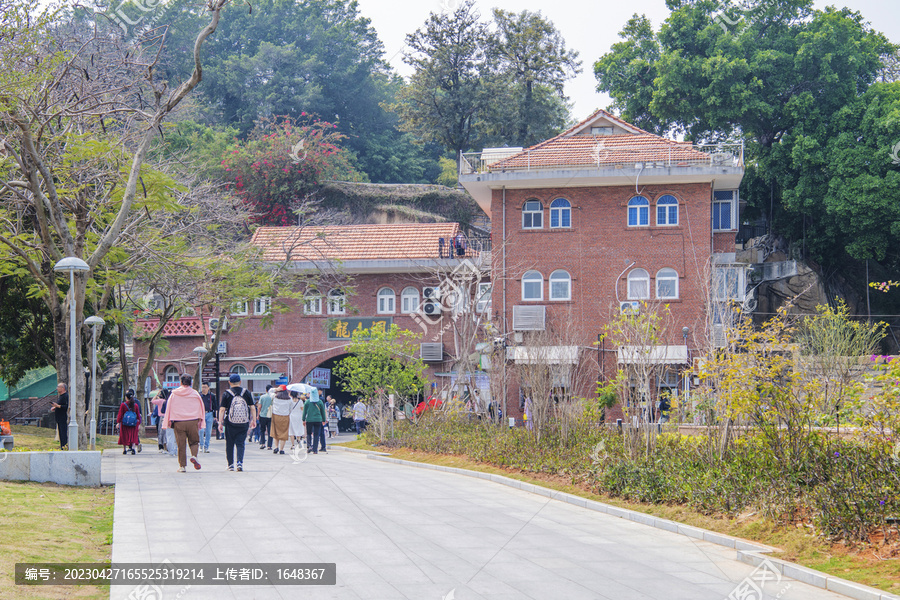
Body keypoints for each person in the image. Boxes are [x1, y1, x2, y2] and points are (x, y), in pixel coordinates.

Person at [162, 374, 205, 473]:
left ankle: (182, 466)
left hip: (178, 422)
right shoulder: (195, 394)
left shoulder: (174, 394)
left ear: (180, 382)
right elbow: (201, 407)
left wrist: (167, 422)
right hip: (193, 421)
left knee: (181, 444)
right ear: (191, 382)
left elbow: (168, 408)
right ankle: (194, 456)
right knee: (194, 441)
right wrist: (201, 420)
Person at [217, 373, 257, 471]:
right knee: (240, 443)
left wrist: (220, 422)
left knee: (229, 443)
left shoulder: (227, 393)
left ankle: (230, 465)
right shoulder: (246, 392)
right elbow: (252, 407)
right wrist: (254, 420)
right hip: (243, 423)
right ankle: (239, 463)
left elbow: (222, 409)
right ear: (240, 382)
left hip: (230, 423)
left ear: (229, 382)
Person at [116, 389, 142, 455]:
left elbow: (120, 414)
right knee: (133, 435)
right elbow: (138, 415)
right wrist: (139, 423)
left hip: (125, 423)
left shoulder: (123, 405)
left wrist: (118, 422)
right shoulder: (135, 405)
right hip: (133, 423)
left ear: (126, 397)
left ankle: (124, 449)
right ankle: (133, 448)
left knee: (124, 435)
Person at [270, 386, 292, 454]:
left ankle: (276, 447)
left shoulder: (274, 397)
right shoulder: (289, 399)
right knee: (284, 433)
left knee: (275, 432)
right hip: (285, 416)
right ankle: (281, 449)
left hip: (275, 415)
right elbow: (290, 409)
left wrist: (275, 389)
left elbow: (270, 391)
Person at [150, 389, 170, 454]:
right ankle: (166, 446)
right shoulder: (168, 401)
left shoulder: (160, 401)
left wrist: (157, 394)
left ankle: (161, 446)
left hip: (161, 417)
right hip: (167, 417)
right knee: (166, 433)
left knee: (160, 433)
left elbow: (152, 401)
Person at [199, 382, 217, 453]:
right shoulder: (199, 395)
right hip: (201, 414)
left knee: (208, 431)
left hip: (209, 413)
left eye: (205, 387)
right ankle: (201, 445)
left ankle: (206, 446)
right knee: (201, 431)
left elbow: (215, 406)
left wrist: (215, 416)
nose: (204, 389)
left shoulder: (212, 396)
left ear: (208, 388)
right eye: (203, 387)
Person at [50, 382, 69, 449]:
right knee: (60, 432)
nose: (57, 388)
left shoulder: (66, 396)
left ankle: (64, 445)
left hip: (63, 417)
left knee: (63, 432)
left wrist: (58, 406)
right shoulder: (60, 396)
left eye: (58, 387)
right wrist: (55, 407)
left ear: (62, 388)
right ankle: (62, 446)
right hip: (58, 417)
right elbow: (59, 405)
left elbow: (66, 406)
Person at [257, 384, 274, 450]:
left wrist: (258, 415)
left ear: (266, 390)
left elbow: (259, 407)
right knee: (270, 431)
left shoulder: (262, 397)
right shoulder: (272, 397)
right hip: (270, 416)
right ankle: (269, 446)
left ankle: (262, 444)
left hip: (263, 415)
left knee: (262, 430)